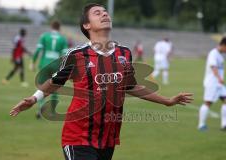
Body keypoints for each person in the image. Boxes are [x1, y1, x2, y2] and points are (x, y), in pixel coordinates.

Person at [10, 3, 193, 160]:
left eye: (105, 11)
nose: (105, 14)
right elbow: (56, 81)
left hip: (108, 138)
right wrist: (34, 99)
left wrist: (167, 101)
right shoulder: (76, 55)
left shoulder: (124, 53)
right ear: (87, 25)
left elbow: (130, 86)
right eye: (97, 13)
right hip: (78, 136)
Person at [30, 20, 70, 119]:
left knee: (42, 86)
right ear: (59, 28)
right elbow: (65, 54)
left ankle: (40, 107)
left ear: (51, 27)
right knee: (54, 87)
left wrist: (33, 62)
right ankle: (52, 111)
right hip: (56, 65)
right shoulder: (62, 39)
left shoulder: (44, 36)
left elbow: (38, 50)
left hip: (44, 64)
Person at [198, 37, 226, 131]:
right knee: (208, 103)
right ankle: (201, 125)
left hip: (219, 84)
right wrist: (219, 78)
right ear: (223, 45)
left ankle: (224, 125)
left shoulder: (220, 55)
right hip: (212, 83)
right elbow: (213, 67)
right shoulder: (213, 53)